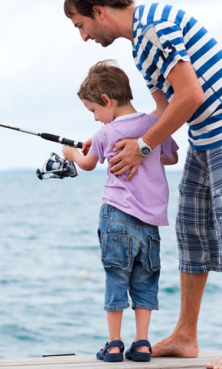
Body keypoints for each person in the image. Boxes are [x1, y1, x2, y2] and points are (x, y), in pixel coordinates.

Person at [63, 0, 222, 369]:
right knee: (191, 229)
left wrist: (142, 147)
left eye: (81, 24)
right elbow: (162, 111)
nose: (84, 36)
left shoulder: (155, 25)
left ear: (99, 10)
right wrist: (113, 134)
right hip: (206, 139)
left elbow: (190, 95)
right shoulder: (140, 46)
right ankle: (185, 336)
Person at [63, 60, 178, 363]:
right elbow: (172, 157)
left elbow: (87, 164)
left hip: (115, 217)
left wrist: (71, 152)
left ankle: (114, 344)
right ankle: (142, 344)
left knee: (116, 278)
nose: (97, 119)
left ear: (106, 101)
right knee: (145, 280)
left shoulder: (106, 133)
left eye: (93, 112)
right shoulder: (155, 126)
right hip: (150, 223)